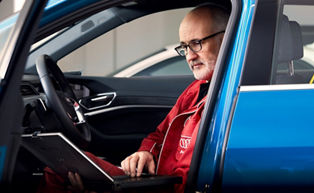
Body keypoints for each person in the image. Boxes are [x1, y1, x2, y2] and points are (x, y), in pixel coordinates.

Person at [37, 3, 229, 193]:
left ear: (226, 38)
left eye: (196, 43)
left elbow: (186, 182)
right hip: (154, 181)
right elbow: (159, 135)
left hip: (162, 187)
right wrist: (145, 152)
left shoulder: (228, 99)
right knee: (61, 168)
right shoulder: (195, 90)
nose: (189, 56)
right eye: (185, 47)